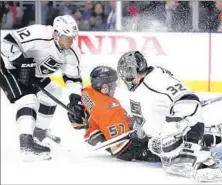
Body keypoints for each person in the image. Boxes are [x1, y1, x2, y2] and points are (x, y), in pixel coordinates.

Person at [116, 51, 222, 182]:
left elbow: (189, 100)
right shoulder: (144, 83)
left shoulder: (155, 80)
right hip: (172, 133)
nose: (125, 78)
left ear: (133, 71)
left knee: (177, 164)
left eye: (126, 73)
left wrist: (175, 126)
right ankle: (215, 136)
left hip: (186, 128)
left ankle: (208, 163)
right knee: (162, 156)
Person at [0, 15, 83, 159]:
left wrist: (75, 102)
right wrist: (21, 62)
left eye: (73, 37)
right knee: (28, 100)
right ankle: (26, 142)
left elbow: (73, 79)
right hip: (8, 66)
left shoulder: (72, 52)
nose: (71, 41)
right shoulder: (39, 34)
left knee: (54, 92)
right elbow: (7, 42)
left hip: (32, 74)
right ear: (56, 34)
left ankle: (39, 133)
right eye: (67, 37)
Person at [67, 65, 160, 162]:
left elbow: (78, 120)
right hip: (120, 138)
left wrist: (76, 106)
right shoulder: (109, 109)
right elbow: (121, 150)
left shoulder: (90, 91)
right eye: (113, 84)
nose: (115, 86)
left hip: (101, 128)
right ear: (104, 86)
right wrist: (142, 142)